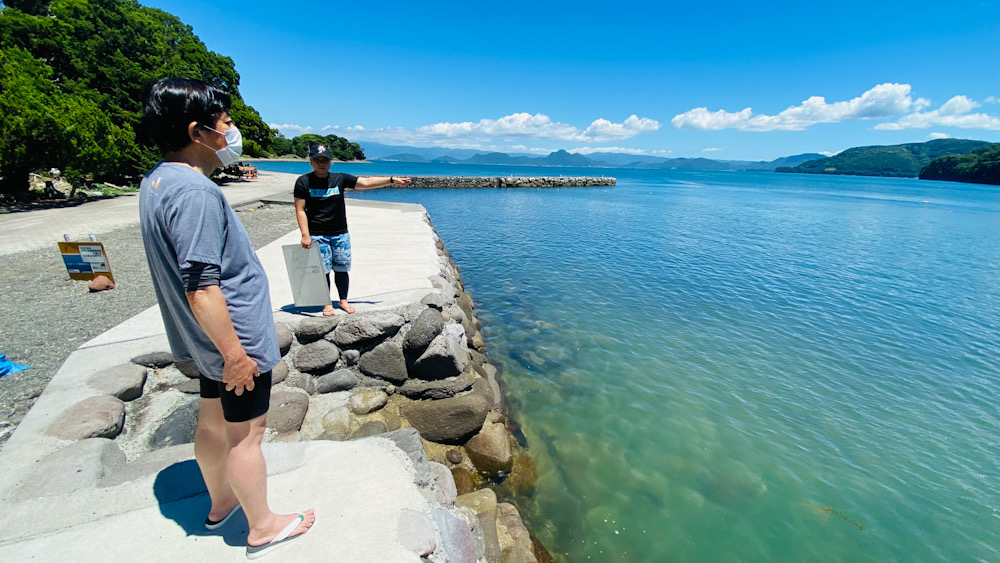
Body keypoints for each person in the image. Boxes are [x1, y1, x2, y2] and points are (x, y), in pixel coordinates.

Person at [138, 78, 314, 559]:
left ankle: (221, 503)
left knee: (213, 423)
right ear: (199, 132)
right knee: (247, 435)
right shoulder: (194, 192)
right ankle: (262, 525)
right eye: (227, 124)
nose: (233, 133)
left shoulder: (157, 180)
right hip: (231, 338)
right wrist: (236, 355)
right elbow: (201, 284)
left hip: (204, 341)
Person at [293, 144, 412, 315]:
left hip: (340, 233)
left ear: (330, 162)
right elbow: (299, 209)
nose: (321, 163)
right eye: (317, 160)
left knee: (341, 268)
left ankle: (343, 300)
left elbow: (366, 182)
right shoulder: (303, 182)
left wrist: (392, 179)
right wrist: (305, 235)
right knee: (322, 271)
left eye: (325, 160)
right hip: (317, 234)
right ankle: (326, 303)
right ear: (311, 162)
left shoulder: (339, 179)